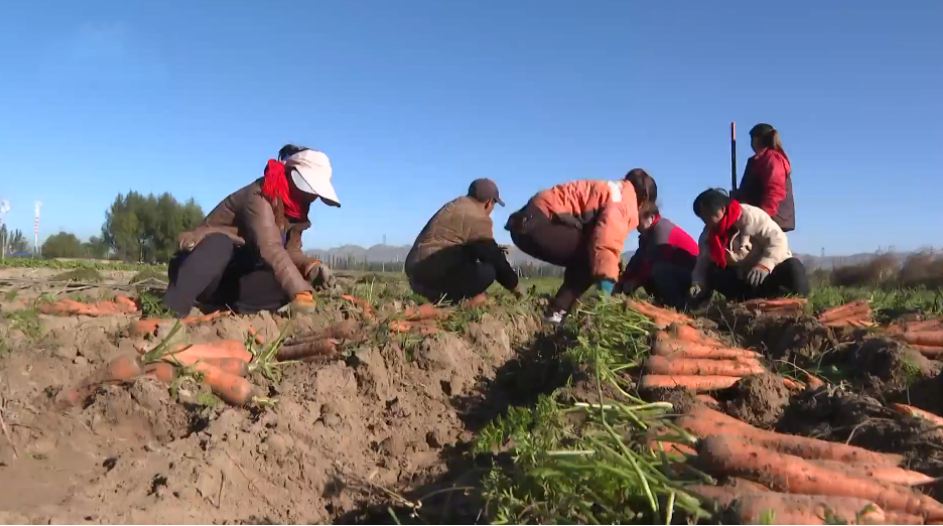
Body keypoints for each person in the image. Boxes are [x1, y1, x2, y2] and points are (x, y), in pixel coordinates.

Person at [161, 144, 339, 317]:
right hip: (196, 267)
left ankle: (220, 306)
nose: (313, 197)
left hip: (230, 277)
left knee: (284, 285)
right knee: (220, 243)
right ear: (293, 175)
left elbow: (291, 251)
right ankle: (172, 310)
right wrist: (300, 292)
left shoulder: (297, 211)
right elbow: (270, 247)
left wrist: (310, 266)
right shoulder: (260, 195)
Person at [506, 169, 657, 323]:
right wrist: (608, 288)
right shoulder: (624, 202)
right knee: (592, 256)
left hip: (526, 221)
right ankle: (557, 311)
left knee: (589, 255)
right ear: (643, 201)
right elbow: (606, 244)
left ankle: (557, 313)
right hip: (538, 223)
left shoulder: (614, 191)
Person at [405, 179, 524, 303]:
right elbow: (493, 257)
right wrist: (516, 286)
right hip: (432, 271)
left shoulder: (453, 205)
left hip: (415, 272)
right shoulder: (478, 218)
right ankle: (451, 299)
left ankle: (434, 294)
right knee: (487, 271)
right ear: (489, 202)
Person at [689, 188, 809, 304]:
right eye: (702, 217)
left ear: (722, 209)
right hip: (744, 280)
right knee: (713, 272)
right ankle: (740, 304)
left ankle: (800, 304)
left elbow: (778, 241)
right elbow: (702, 264)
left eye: (708, 215)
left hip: (768, 274)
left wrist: (764, 265)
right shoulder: (708, 235)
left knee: (794, 267)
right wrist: (698, 284)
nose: (705, 220)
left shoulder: (751, 216)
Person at [614, 207, 699, 309]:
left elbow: (659, 259)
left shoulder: (661, 229)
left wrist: (636, 282)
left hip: (692, 274)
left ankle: (676, 305)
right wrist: (623, 282)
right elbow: (636, 262)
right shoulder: (645, 237)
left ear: (651, 217)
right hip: (675, 270)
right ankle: (661, 302)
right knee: (644, 269)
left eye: (639, 220)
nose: (636, 224)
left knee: (657, 270)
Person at [733, 123, 795, 232]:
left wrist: (762, 218)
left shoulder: (771, 158)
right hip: (761, 219)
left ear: (756, 140)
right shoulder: (760, 159)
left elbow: (775, 190)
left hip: (769, 221)